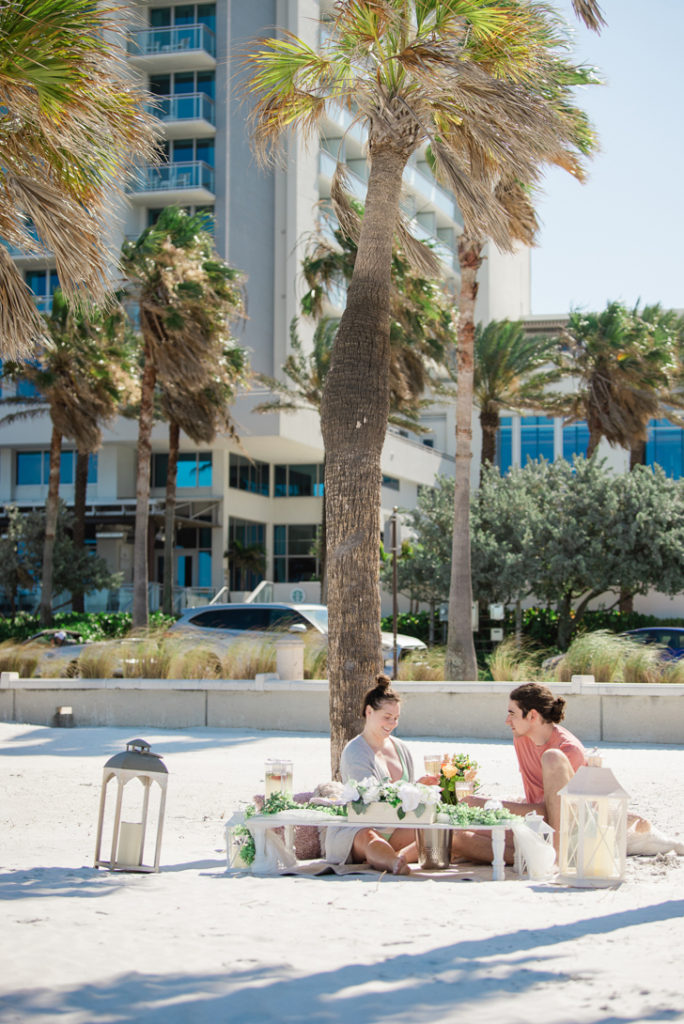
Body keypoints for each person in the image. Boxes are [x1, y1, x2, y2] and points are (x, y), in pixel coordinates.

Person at [451, 683, 588, 864]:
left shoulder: (566, 751)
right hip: (535, 826)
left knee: (463, 831)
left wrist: (484, 804)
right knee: (455, 837)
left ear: (532, 715)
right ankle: (402, 858)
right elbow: (535, 808)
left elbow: (553, 813)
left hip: (566, 835)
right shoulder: (522, 739)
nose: (507, 721)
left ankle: (550, 859)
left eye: (512, 714)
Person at [323, 675, 433, 875]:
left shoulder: (401, 748)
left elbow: (406, 794)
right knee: (370, 837)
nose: (392, 723)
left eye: (396, 718)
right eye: (387, 716)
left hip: (396, 826)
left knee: (437, 830)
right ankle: (394, 862)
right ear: (369, 711)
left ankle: (397, 855)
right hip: (360, 830)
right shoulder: (355, 751)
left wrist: (421, 787)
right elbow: (369, 801)